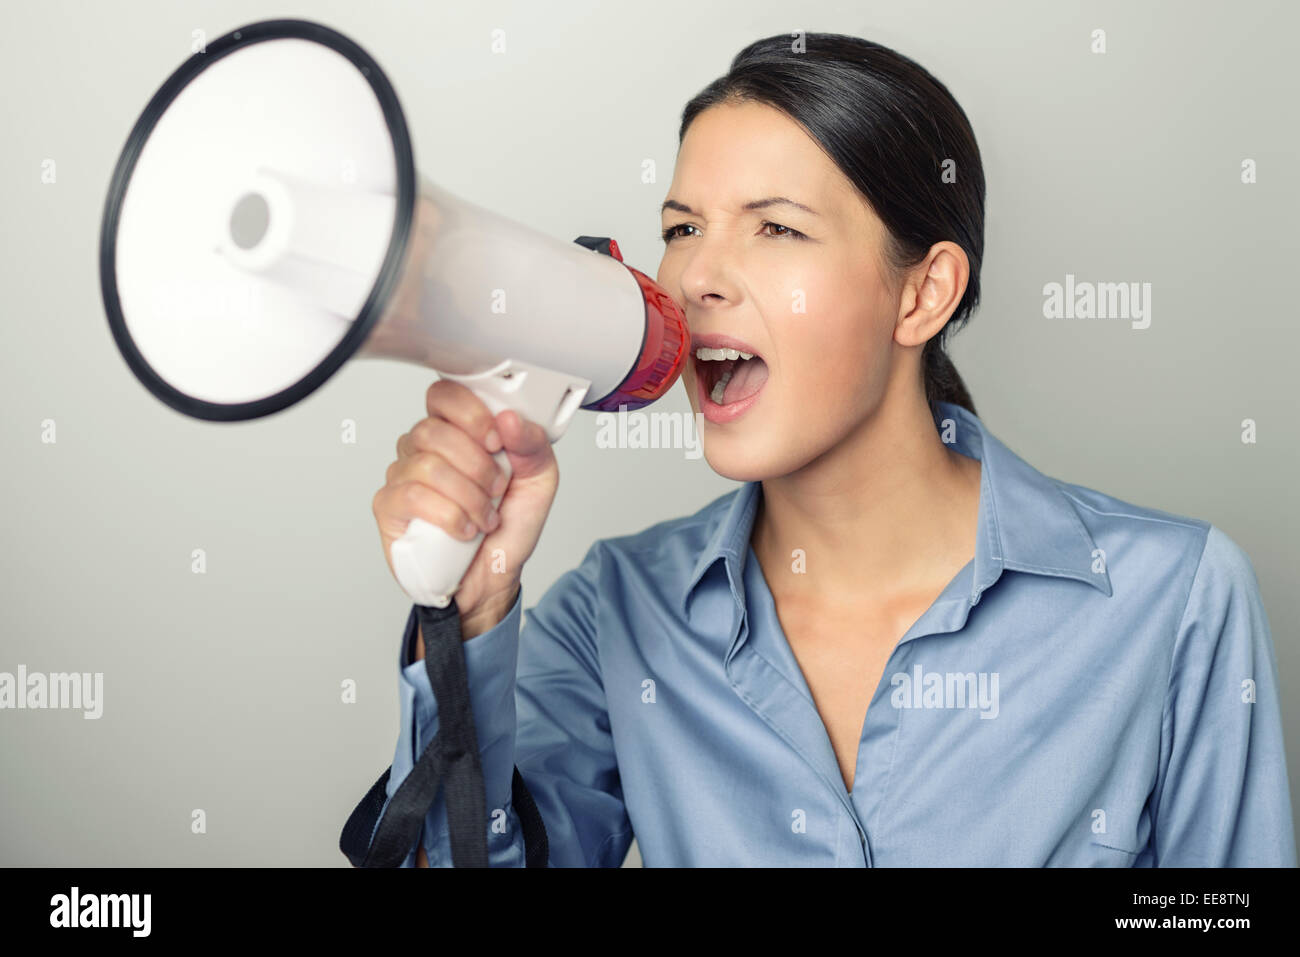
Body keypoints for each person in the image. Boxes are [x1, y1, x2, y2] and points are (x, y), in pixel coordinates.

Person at [369, 32, 1296, 866]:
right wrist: (473, 615)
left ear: (923, 294)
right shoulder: (614, 612)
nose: (695, 278)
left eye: (776, 227)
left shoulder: (1175, 597)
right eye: (681, 229)